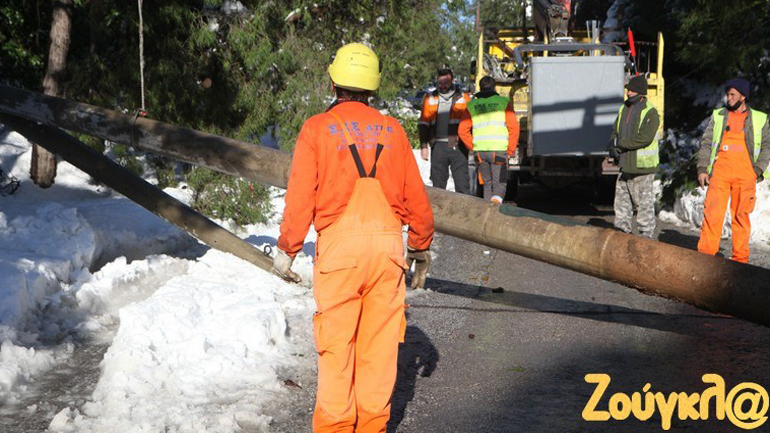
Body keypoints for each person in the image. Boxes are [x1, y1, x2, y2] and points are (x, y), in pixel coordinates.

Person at [273, 43, 434, 433]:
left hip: (340, 253)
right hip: (386, 253)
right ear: (373, 87)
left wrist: (287, 248)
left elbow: (300, 197)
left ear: (333, 83)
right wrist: (419, 245)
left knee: (337, 347)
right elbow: (416, 196)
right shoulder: (393, 130)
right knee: (379, 349)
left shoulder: (316, 129)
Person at [696, 78, 770, 263]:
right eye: (727, 94)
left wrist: (757, 170)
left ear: (743, 96)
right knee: (712, 215)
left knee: (741, 217)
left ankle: (740, 261)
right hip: (719, 174)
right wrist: (702, 168)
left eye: (732, 95)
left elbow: (767, 146)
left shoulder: (760, 119)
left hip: (746, 176)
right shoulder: (718, 116)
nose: (728, 98)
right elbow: (706, 143)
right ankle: (705, 259)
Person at [606, 75, 661, 238]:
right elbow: (615, 130)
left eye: (632, 90)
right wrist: (613, 145)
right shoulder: (624, 108)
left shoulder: (651, 112)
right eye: (628, 90)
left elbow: (644, 138)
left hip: (642, 168)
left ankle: (646, 238)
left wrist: (619, 144)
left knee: (644, 207)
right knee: (621, 205)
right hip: (625, 166)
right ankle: (621, 235)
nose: (628, 93)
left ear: (641, 92)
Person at [457, 76, 519, 203]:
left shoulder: (472, 105)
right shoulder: (503, 102)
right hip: (499, 152)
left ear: (480, 88)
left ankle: (487, 211)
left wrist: (473, 146)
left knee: (486, 184)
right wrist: (511, 149)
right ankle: (495, 212)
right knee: (500, 185)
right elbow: (514, 127)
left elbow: (462, 130)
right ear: (494, 87)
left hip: (480, 153)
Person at [418, 68, 472, 194]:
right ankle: (438, 207)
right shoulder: (430, 98)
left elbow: (471, 122)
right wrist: (424, 146)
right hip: (438, 146)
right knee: (438, 185)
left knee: (462, 183)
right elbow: (423, 124)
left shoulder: (464, 98)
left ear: (452, 81)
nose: (443, 86)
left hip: (458, 146)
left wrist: (469, 143)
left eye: (446, 82)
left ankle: (463, 206)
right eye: (440, 82)